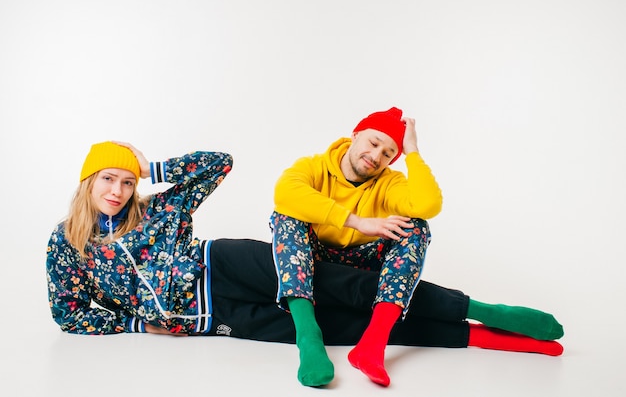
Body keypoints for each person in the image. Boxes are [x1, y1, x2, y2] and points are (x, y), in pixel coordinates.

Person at [46, 141, 564, 388]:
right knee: (344, 326)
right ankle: (484, 338)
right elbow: (69, 313)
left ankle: (481, 308)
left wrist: (147, 168)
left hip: (221, 264)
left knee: (351, 287)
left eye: (125, 181)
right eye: (107, 180)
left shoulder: (157, 207)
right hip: (211, 321)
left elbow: (217, 163)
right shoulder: (65, 244)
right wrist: (139, 322)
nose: (117, 191)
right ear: (87, 183)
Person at [269, 107, 562, 387]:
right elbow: (284, 192)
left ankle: (373, 343)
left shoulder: (389, 183)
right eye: (373, 143)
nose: (376, 156)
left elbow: (427, 205)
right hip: (311, 259)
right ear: (355, 134)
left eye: (388, 153)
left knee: (415, 225)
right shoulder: (312, 166)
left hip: (367, 264)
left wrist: (413, 153)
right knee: (286, 215)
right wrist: (358, 222)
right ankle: (309, 338)